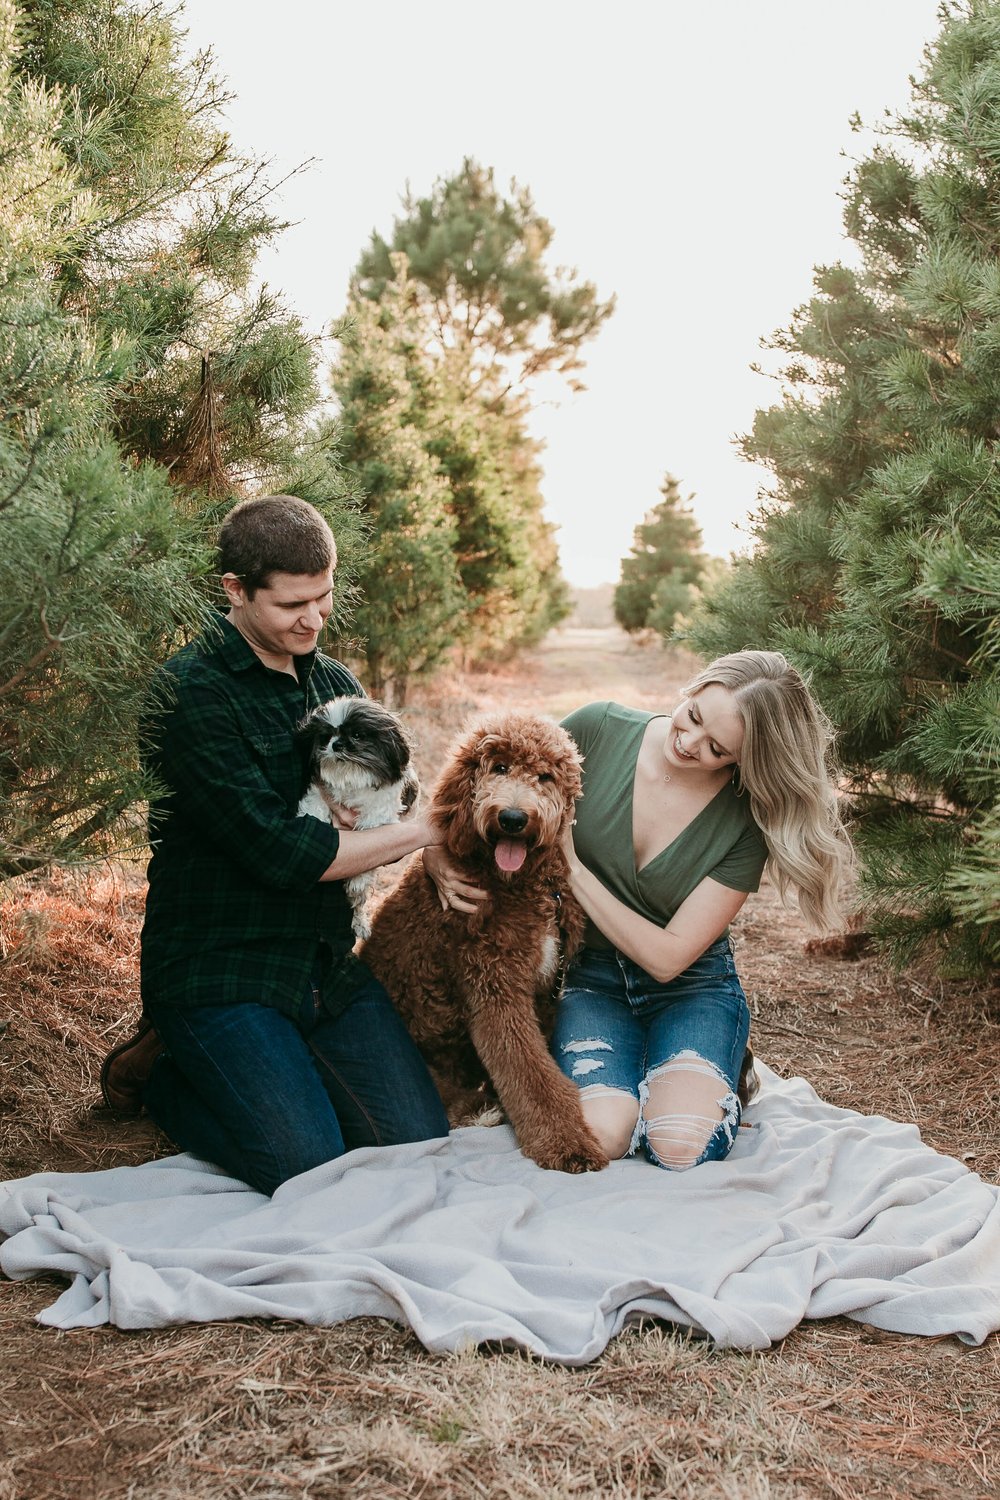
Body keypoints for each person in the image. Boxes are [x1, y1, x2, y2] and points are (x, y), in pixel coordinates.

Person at [99, 495, 449, 1195]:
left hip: (320, 963)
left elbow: (385, 799)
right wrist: (419, 833)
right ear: (235, 590)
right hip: (218, 966)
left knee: (414, 1140)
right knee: (304, 1165)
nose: (313, 620)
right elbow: (282, 854)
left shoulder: (335, 683)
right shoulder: (188, 695)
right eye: (293, 604)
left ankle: (277, 1065)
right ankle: (166, 1071)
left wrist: (388, 827)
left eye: (323, 598)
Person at [430, 650, 854, 1173]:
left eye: (717, 748)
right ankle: (651, 1083)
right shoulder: (598, 729)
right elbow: (487, 783)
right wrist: (432, 854)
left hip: (690, 987)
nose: (689, 743)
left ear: (745, 759)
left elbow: (668, 958)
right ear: (694, 689)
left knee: (677, 1145)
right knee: (601, 1136)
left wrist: (575, 868)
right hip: (593, 978)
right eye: (694, 717)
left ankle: (709, 1074)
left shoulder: (747, 822)